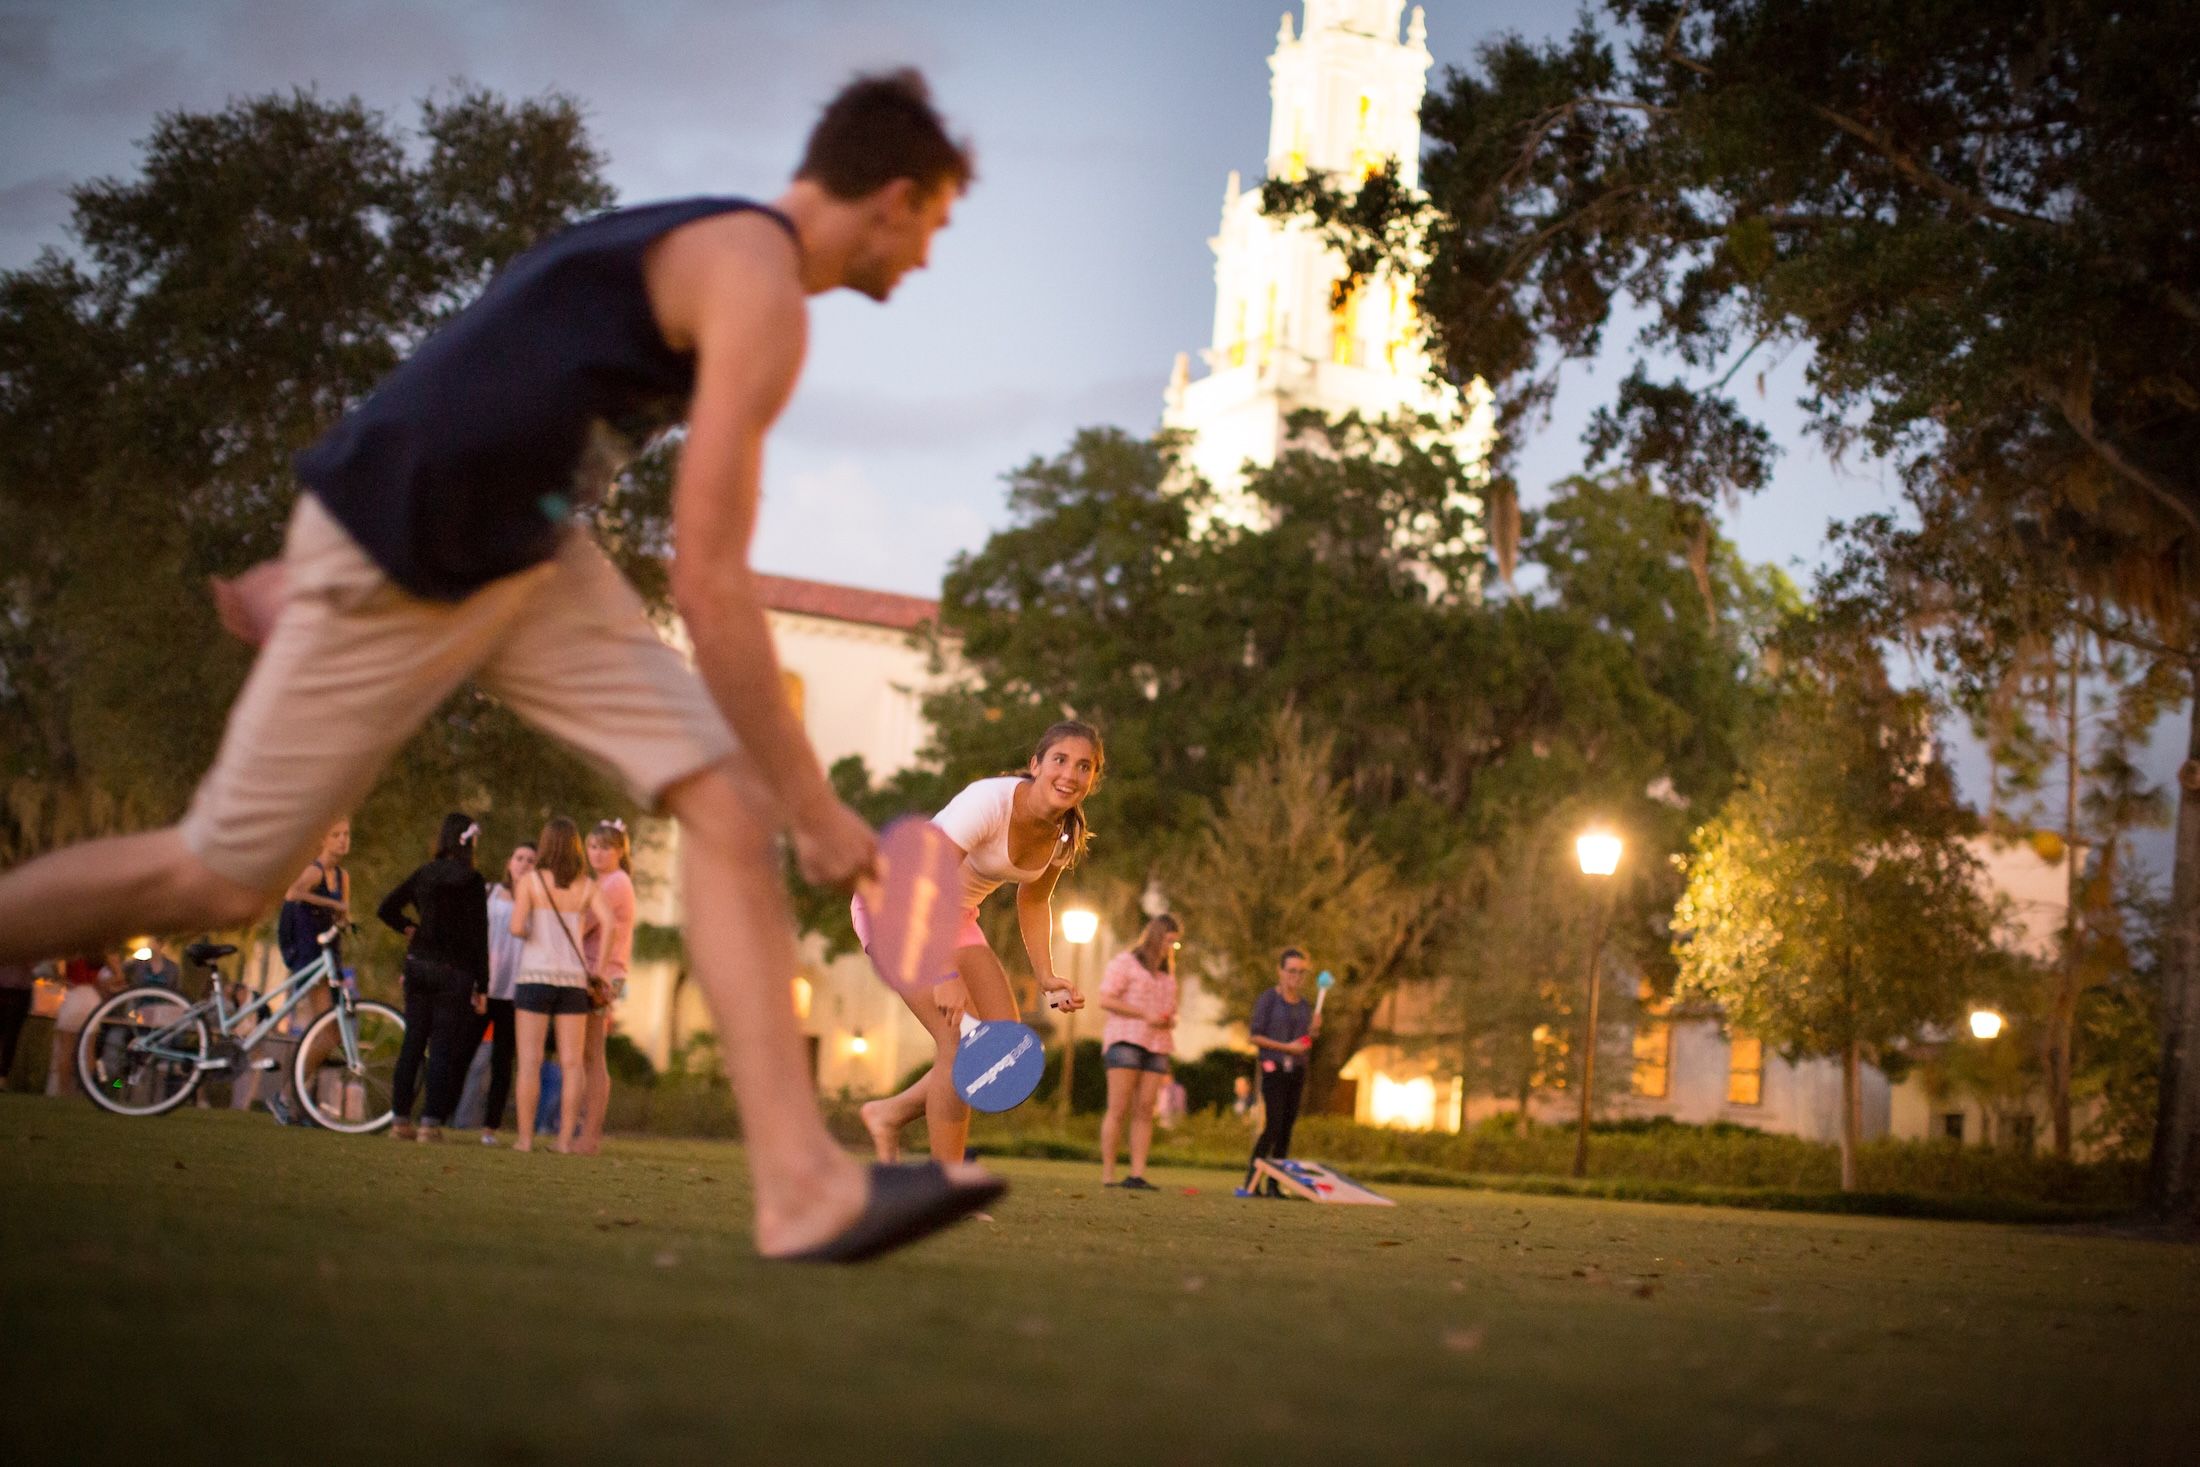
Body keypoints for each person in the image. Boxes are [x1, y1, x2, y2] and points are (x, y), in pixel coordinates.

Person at [0, 71, 1004, 1259]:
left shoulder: (686, 240)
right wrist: (820, 809)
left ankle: (802, 1189)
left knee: (722, 806)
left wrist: (310, 536)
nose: (929, 259)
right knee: (219, 879)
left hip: (522, 550)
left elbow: (482, 355)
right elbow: (712, 581)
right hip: (412, 554)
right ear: (892, 196)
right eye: (935, 225)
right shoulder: (761, 282)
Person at [855, 723, 1101, 1165]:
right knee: (960, 1045)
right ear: (1036, 765)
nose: (1070, 774)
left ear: (1093, 779)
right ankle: (946, 1184)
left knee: (1002, 1047)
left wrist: (1046, 976)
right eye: (1060, 760)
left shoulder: (1064, 834)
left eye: (1084, 766)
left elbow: (1034, 901)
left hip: (956, 917)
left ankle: (889, 1115)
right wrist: (944, 974)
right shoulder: (988, 801)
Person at [378, 813, 491, 1142]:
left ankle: (399, 1121)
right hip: (454, 972)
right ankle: (429, 1123)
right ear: (470, 843)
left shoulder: (425, 873)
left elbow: (386, 908)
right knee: (441, 1048)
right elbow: (479, 937)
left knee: (412, 1043)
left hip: (418, 964)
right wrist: (482, 985)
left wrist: (409, 927)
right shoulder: (472, 880)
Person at [508, 818, 614, 1154]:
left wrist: (533, 932)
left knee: (529, 1061)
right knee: (572, 1064)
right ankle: (565, 1140)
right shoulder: (587, 887)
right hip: (573, 982)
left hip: (534, 977)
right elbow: (610, 924)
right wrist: (598, 968)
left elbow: (515, 927)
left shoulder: (531, 882)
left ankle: (525, 1139)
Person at [1096, 914, 1181, 1190]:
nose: (1171, 947)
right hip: (1126, 1040)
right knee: (1118, 1107)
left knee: (1145, 1109)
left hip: (1157, 1044)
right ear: (1157, 936)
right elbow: (1106, 999)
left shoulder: (1168, 976)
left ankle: (1137, 1173)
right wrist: (1144, 1014)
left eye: (1175, 943)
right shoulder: (1125, 963)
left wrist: (1167, 1019)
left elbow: (1170, 1008)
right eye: (1169, 941)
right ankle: (1109, 1173)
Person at [462, 841, 535, 1143]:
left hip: (515, 992)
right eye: (520, 858)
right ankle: (436, 1116)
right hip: (484, 987)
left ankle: (490, 1128)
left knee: (502, 1063)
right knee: (460, 1051)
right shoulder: (490, 893)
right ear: (509, 862)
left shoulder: (538, 901)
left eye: (531, 861)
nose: (524, 864)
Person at [576, 818, 638, 1155]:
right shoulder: (602, 881)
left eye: (605, 848)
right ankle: (584, 1131)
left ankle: (590, 1135)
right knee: (585, 1055)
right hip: (593, 971)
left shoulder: (615, 883)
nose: (597, 854)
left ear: (619, 851)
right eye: (593, 847)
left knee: (592, 1056)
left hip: (602, 973)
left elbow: (583, 925)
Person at [1238, 947, 1320, 1198]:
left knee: (1286, 1127)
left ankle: (1275, 1183)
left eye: (1301, 972)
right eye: (1291, 971)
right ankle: (1252, 1180)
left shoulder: (1305, 1005)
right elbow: (1255, 1035)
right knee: (1272, 1125)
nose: (1296, 976)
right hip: (1273, 1069)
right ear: (1281, 971)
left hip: (1296, 1071)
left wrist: (1313, 1032)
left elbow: (1305, 1042)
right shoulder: (1268, 1000)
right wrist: (1286, 1047)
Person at [46, 954, 117, 1098]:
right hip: (91, 998)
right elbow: (119, 975)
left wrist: (61, 979)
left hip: (74, 994)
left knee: (66, 1048)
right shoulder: (100, 949)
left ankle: (63, 1091)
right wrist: (99, 984)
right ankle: (86, 1090)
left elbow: (52, 964)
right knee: (88, 1050)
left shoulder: (74, 947)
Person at [0, 959, 35, 1089]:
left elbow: (33, 965)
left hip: (20, 991)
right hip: (5, 988)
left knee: (11, 1036)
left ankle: (3, 1076)